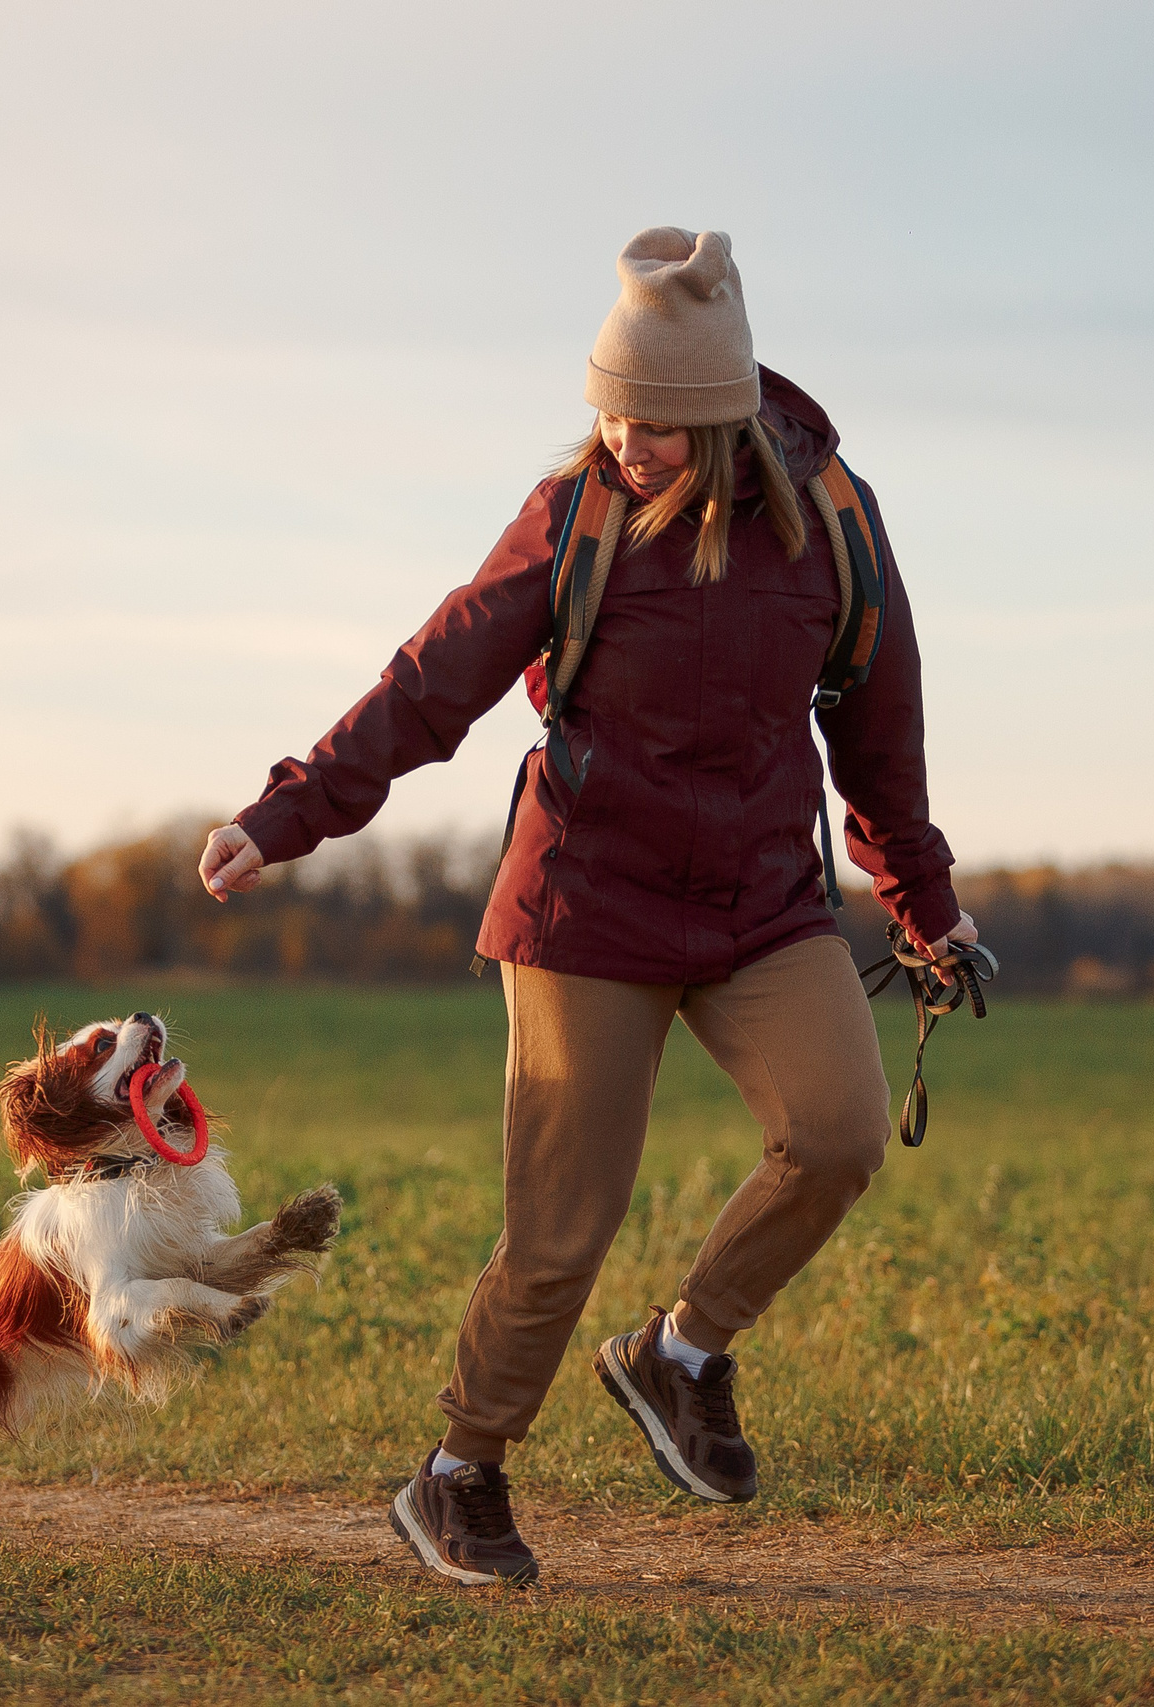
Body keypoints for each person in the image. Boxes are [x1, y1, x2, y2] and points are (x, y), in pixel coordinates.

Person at [196, 227, 974, 1587]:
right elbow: (434, 681)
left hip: (759, 907)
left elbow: (880, 735)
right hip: (584, 910)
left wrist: (922, 906)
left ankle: (680, 1355)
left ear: (725, 412)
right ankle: (461, 1474)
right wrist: (290, 814)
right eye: (611, 408)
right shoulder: (575, 521)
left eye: (659, 420)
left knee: (840, 1133)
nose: (629, 438)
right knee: (560, 1232)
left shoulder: (835, 525)